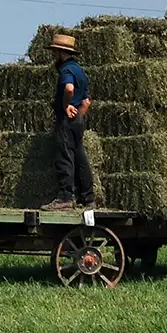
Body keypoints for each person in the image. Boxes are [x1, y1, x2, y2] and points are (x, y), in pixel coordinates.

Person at [43, 34, 96, 211]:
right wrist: (77, 116)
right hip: (77, 120)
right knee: (80, 157)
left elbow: (69, 88)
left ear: (60, 52)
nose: (53, 56)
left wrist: (66, 106)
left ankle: (65, 197)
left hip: (66, 121)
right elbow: (87, 101)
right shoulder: (79, 70)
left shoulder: (66, 70)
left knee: (65, 157)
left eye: (54, 53)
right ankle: (89, 198)